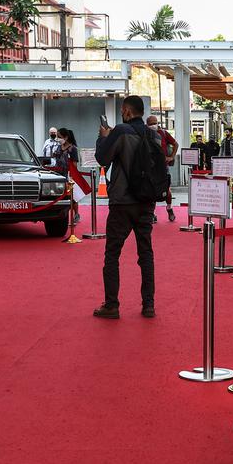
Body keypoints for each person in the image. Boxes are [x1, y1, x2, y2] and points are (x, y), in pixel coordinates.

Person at [93, 96, 168, 319]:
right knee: (146, 252)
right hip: (146, 201)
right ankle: (148, 304)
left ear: (126, 111)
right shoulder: (153, 134)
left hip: (122, 201)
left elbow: (102, 159)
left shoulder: (120, 131)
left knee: (112, 253)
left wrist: (103, 138)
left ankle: (112, 304)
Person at [146, 115, 178, 222]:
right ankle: (152, 213)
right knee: (151, 190)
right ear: (147, 124)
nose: (153, 125)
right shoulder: (145, 134)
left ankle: (169, 208)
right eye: (150, 124)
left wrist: (172, 156)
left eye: (154, 123)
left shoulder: (163, 133)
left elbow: (175, 144)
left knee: (166, 189)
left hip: (164, 167)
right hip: (150, 167)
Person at [57, 128, 82, 224]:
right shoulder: (59, 148)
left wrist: (70, 172)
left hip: (69, 175)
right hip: (59, 175)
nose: (58, 139)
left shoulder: (73, 149)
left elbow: (75, 164)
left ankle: (76, 214)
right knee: (62, 196)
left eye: (60, 137)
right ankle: (63, 214)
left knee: (72, 196)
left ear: (66, 137)